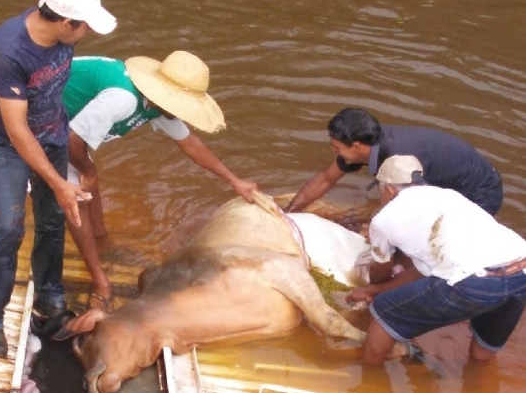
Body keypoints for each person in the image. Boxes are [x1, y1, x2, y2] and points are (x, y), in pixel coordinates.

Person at [0, 0, 117, 357]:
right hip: (6, 143)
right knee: (8, 228)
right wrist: (58, 180)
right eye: (84, 25)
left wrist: (65, 171)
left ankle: (50, 293)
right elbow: (16, 130)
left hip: (53, 132)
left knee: (54, 219)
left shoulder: (61, 37)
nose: (87, 32)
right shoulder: (7, 51)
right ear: (64, 21)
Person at [63, 51, 260, 310]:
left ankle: (102, 242)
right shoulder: (121, 99)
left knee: (88, 179)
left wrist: (234, 181)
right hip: (44, 116)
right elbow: (71, 141)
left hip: (72, 124)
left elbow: (191, 145)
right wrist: (88, 172)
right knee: (78, 197)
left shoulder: (158, 108)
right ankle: (100, 282)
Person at [345, 155, 526, 365]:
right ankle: (478, 383)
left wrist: (373, 289)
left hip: (476, 280)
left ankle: (369, 379)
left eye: (380, 190)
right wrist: (374, 291)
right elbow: (424, 271)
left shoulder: (384, 219)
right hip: (521, 271)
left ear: (390, 189)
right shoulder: (448, 196)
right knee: (486, 339)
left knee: (384, 311)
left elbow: (381, 273)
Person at [285, 107, 503, 216]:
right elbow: (326, 178)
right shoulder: (365, 145)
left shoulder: (399, 159)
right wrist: (290, 212)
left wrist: (373, 230)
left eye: (337, 149)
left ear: (357, 146)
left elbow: (412, 212)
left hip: (479, 192)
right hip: (442, 181)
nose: (336, 153)